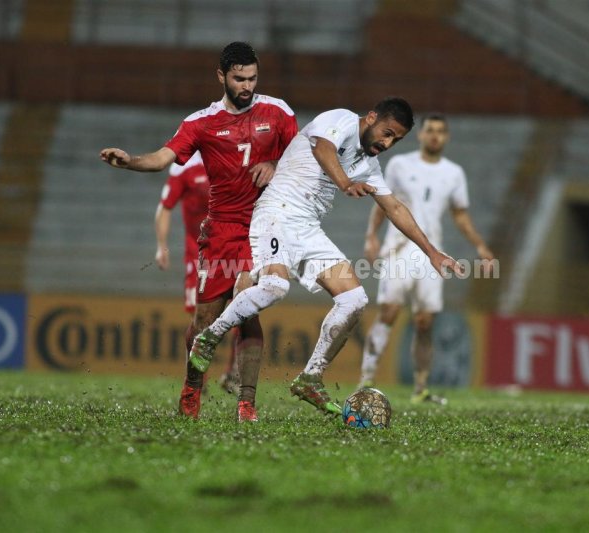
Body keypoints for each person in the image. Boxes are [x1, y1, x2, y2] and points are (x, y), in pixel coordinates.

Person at [186, 97, 463, 418]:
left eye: (395, 140)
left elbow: (395, 208)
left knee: (355, 300)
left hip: (307, 228)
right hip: (276, 213)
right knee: (276, 286)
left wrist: (432, 253)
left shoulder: (369, 165)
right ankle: (209, 337)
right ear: (371, 117)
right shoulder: (342, 119)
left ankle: (311, 377)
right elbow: (323, 148)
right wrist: (345, 183)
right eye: (386, 133)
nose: (387, 143)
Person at [100, 41, 298, 422]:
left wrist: (274, 162)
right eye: (239, 79)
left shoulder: (278, 112)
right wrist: (130, 161)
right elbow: (163, 158)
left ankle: (247, 403)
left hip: (263, 225)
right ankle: (192, 387)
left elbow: (303, 158)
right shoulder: (201, 123)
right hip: (221, 230)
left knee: (249, 306)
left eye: (253, 78)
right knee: (204, 322)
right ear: (221, 76)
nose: (247, 86)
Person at [359, 113, 494, 404]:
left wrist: (480, 246)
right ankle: (366, 380)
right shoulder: (399, 164)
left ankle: (420, 389)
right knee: (389, 313)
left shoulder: (453, 173)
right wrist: (372, 235)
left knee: (424, 322)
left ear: (446, 137)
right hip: (399, 249)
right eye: (430, 130)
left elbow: (460, 214)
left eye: (440, 131)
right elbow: (385, 203)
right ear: (421, 135)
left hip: (433, 254)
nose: (435, 135)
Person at [153, 152, 239, 395]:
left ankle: (233, 373)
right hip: (199, 257)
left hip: (233, 251)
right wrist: (161, 246)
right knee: (201, 319)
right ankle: (196, 380)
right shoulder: (185, 166)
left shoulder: (235, 155)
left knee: (244, 309)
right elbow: (165, 207)